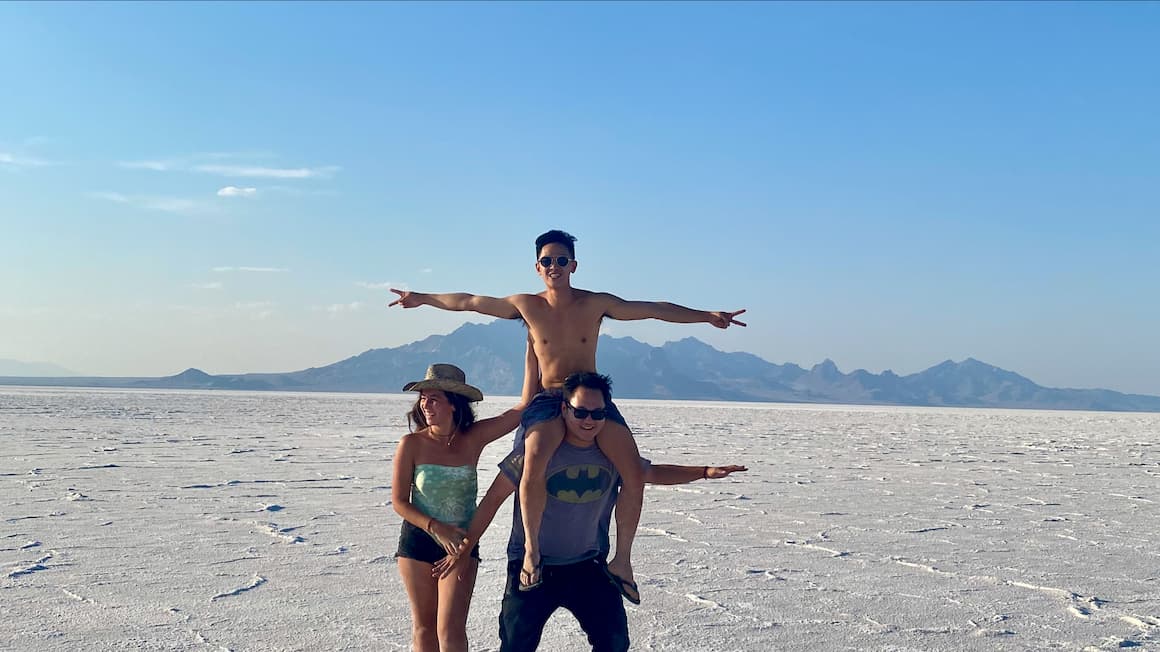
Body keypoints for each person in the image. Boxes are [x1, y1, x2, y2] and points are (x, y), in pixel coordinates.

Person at [388, 229, 746, 599]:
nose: (554, 266)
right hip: (547, 398)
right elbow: (469, 301)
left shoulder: (595, 303)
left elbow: (654, 309)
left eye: (561, 260)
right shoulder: (526, 305)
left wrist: (707, 316)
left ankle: (622, 560)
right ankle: (532, 551)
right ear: (537, 267)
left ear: (573, 265)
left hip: (590, 396)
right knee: (534, 462)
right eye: (547, 261)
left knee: (632, 469)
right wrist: (422, 299)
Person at [434, 372, 747, 652]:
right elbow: (492, 501)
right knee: (517, 645)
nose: (588, 421)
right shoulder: (531, 456)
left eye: (597, 414)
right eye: (580, 412)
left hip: (588, 565)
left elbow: (652, 473)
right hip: (533, 567)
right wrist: (463, 548)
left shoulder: (613, 455)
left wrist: (704, 471)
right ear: (564, 409)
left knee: (614, 642)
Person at [391, 343, 539, 652]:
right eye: (422, 399)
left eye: (434, 399)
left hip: (461, 542)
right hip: (418, 541)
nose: (425, 405)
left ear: (454, 404)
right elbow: (399, 502)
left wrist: (532, 349)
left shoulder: (473, 438)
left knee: (451, 631)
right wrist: (436, 527)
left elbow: (522, 408)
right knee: (424, 629)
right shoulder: (411, 444)